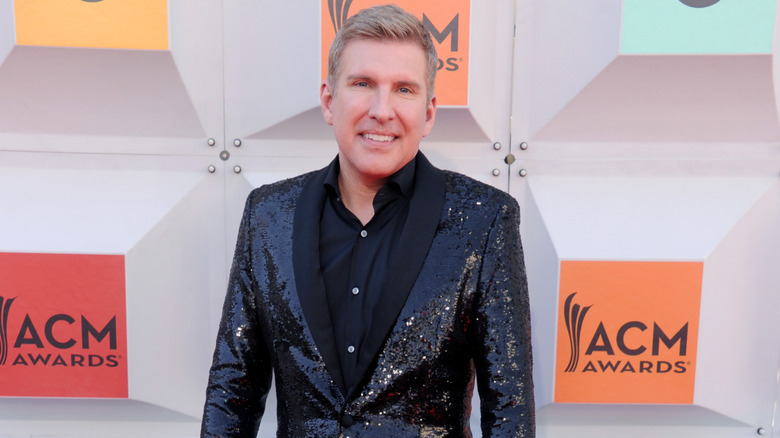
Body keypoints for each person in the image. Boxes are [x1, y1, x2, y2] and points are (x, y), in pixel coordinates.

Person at [201, 4, 534, 437]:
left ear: (429, 112)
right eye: (363, 84)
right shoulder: (268, 214)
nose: (382, 109)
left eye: (404, 89)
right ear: (328, 100)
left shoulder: (485, 220)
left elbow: (510, 408)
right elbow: (232, 393)